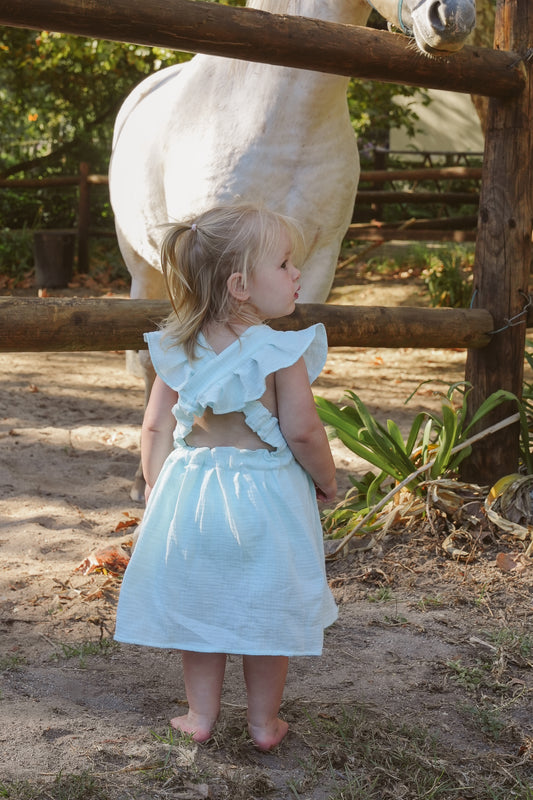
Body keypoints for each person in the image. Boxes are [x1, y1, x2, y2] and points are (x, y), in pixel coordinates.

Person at [115, 204, 338, 751]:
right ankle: (264, 724)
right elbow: (305, 433)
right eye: (284, 264)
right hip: (267, 499)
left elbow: (153, 430)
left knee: (201, 604)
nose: (296, 275)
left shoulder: (174, 349)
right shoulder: (282, 351)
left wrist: (155, 488)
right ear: (240, 285)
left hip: (191, 495)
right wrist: (328, 481)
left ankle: (200, 716)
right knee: (268, 608)